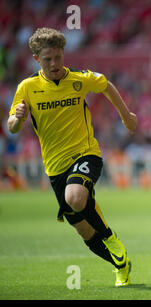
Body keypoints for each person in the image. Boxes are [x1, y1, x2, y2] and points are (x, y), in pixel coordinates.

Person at [7, 27, 137, 287]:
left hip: (86, 152)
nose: (54, 63)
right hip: (55, 168)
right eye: (47, 59)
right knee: (83, 230)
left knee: (75, 197)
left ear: (63, 53)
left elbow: (106, 85)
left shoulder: (79, 79)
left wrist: (126, 115)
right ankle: (120, 265)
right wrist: (17, 118)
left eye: (58, 57)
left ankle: (110, 237)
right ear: (36, 59)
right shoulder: (28, 87)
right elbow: (12, 126)